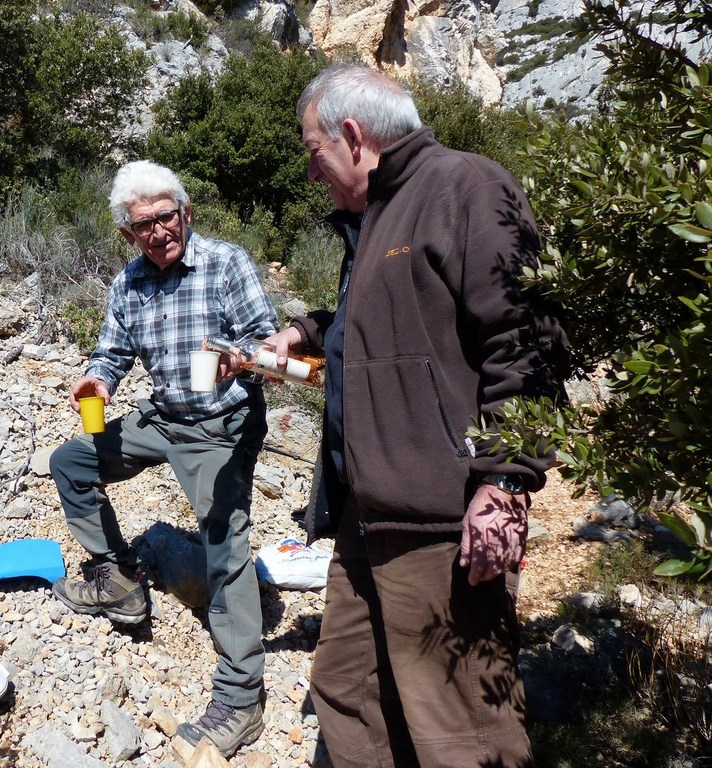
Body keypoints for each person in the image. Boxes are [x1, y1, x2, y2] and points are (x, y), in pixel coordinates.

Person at [261, 65, 570, 768]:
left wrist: (506, 486)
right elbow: (394, 322)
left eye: (313, 152)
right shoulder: (375, 214)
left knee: (458, 730)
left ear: (351, 133)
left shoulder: (464, 186)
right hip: (366, 517)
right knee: (344, 690)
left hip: (441, 522)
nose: (313, 173)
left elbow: (524, 341)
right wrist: (309, 331)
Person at [48, 159, 279, 758]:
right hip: (164, 415)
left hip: (220, 421)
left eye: (166, 216)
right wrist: (98, 380)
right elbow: (112, 350)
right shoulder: (129, 282)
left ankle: (241, 696)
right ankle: (117, 578)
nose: (158, 231)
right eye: (143, 224)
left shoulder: (225, 262)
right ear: (128, 233)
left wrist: (240, 356)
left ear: (186, 212)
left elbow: (268, 337)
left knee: (225, 545)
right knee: (72, 462)